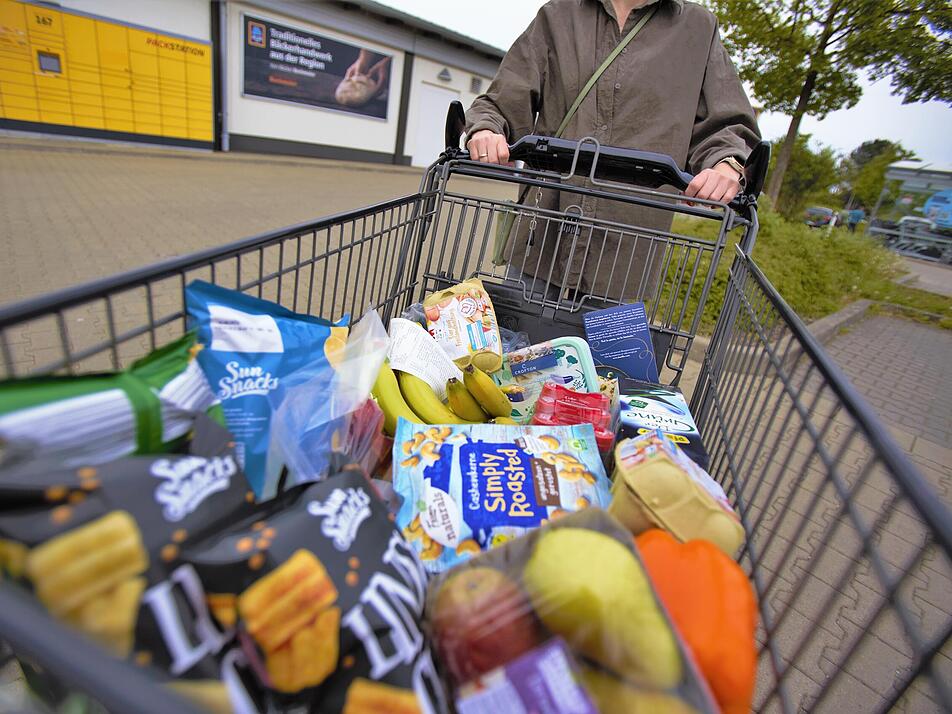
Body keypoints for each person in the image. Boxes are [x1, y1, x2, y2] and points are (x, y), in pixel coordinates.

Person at [466, 0, 760, 302]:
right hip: (542, 234)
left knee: (609, 349)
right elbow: (503, 100)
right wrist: (487, 129)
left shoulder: (698, 28)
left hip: (627, 252)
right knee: (521, 345)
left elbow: (727, 124)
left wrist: (727, 164)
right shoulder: (558, 15)